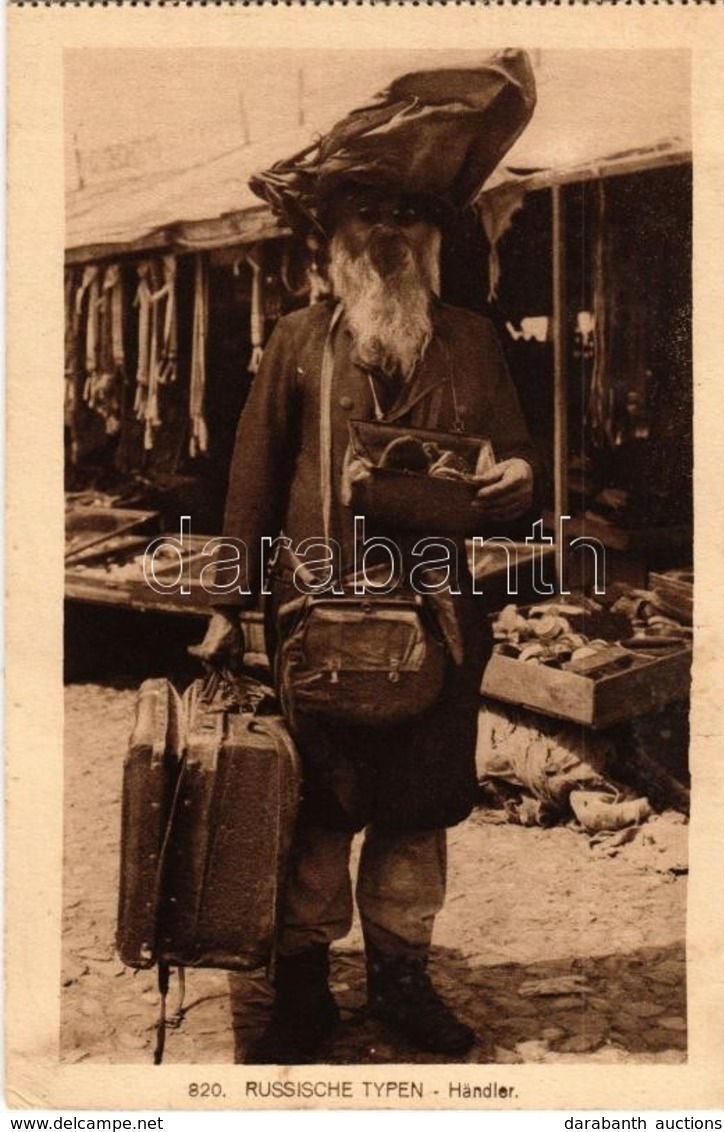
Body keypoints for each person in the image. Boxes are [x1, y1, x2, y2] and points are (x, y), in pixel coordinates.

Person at [192, 53, 541, 1063]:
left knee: (415, 816)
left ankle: (401, 983)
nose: (391, 236)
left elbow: (518, 459)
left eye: (410, 220)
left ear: (433, 239)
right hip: (314, 628)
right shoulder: (299, 341)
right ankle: (301, 988)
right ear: (336, 239)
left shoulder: (472, 341)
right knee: (312, 817)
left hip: (436, 627)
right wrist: (230, 606)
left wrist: (517, 481)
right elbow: (250, 484)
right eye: (370, 220)